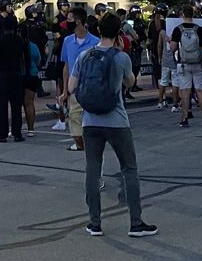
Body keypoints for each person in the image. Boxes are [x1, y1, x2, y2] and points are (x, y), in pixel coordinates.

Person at [70, 14, 158, 239]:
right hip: (116, 120)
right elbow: (131, 82)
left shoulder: (84, 55)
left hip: (90, 121)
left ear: (99, 30)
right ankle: (135, 222)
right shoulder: (121, 58)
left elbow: (72, 86)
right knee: (129, 169)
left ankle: (95, 223)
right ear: (119, 32)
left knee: (92, 169)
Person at [59, 9, 100, 150]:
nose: (67, 22)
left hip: (90, 87)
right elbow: (66, 65)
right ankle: (79, 142)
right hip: (74, 87)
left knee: (90, 117)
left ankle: (91, 142)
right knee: (74, 116)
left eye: (70, 19)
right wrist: (65, 91)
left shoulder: (95, 42)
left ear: (78, 21)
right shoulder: (68, 41)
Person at [171, 7, 202, 129]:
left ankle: (185, 118)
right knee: (201, 91)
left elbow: (173, 48)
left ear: (182, 15)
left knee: (185, 91)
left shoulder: (177, 30)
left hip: (183, 64)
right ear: (193, 15)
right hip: (198, 63)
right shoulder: (200, 30)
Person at [0, 18, 30, 142]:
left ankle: (2, 134)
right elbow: (25, 58)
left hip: (2, 72)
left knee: (1, 106)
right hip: (16, 72)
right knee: (16, 105)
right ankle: (17, 133)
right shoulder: (20, 41)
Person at [21, 24, 43, 137]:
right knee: (29, 103)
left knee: (16, 103)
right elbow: (39, 60)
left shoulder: (17, 46)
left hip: (19, 75)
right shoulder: (33, 46)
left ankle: (16, 128)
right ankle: (31, 128)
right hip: (32, 75)